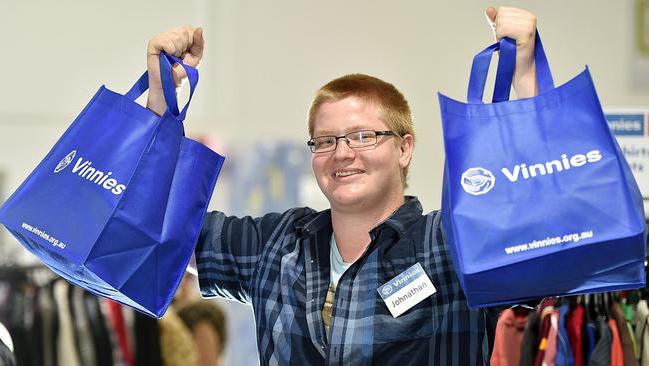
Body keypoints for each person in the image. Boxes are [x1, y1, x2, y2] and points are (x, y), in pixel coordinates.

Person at [145, 6, 539, 365]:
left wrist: (524, 75)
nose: (343, 153)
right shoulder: (279, 245)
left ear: (404, 148)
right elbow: (161, 228)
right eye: (326, 140)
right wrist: (162, 100)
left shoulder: (449, 245)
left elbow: (543, 234)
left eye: (364, 136)